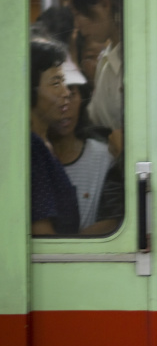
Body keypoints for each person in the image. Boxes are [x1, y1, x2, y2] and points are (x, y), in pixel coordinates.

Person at [48, 59, 113, 231]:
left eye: (72, 94)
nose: (65, 104)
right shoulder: (35, 159)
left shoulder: (102, 157)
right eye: (57, 94)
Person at [63, 0, 123, 131]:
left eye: (78, 14)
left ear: (104, 4)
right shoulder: (107, 56)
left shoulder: (132, 60)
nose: (77, 25)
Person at [30, 37, 80, 236]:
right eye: (55, 83)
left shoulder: (44, 143)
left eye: (64, 82)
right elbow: (42, 231)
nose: (66, 93)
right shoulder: (32, 147)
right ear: (30, 90)